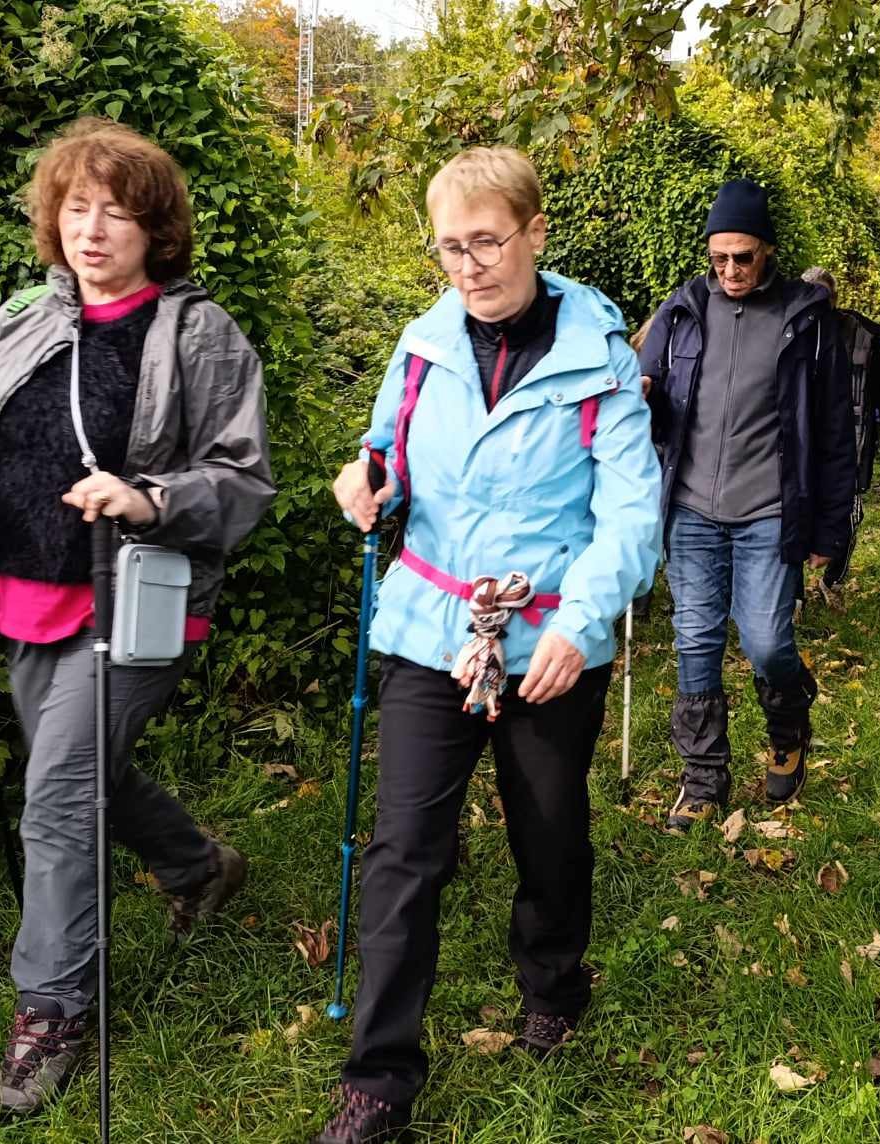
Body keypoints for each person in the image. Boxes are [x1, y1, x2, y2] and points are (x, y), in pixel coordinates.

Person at [0, 118, 275, 1124]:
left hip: (135, 606)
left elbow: (243, 479)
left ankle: (52, 1017)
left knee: (57, 798)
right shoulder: (21, 316)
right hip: (25, 597)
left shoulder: (198, 332)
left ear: (157, 231)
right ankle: (199, 864)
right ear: (53, 219)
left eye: (117, 212)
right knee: (87, 775)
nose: (93, 228)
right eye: (76, 207)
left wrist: (149, 498)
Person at [321, 146, 659, 1144]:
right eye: (449, 247)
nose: (468, 266)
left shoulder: (601, 356)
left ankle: (553, 985)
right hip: (433, 632)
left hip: (552, 635)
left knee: (547, 831)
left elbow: (632, 515)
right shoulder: (422, 346)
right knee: (403, 851)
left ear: (535, 232)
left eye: (486, 241)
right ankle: (379, 1083)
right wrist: (366, 479)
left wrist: (581, 623)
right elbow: (384, 445)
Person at [639, 179, 855, 833]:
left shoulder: (809, 321)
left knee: (765, 642)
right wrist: (640, 397)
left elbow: (836, 439)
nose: (730, 270)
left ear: (769, 251)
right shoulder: (680, 314)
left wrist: (830, 532)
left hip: (768, 512)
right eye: (720, 258)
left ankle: (788, 723)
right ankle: (703, 779)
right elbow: (638, 403)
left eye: (744, 257)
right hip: (693, 512)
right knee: (696, 642)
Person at [802, 266, 880, 591]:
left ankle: (832, 580)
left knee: (850, 514)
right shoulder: (786, 332)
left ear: (835, 299)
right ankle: (792, 594)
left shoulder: (864, 338)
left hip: (851, 444)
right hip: (801, 444)